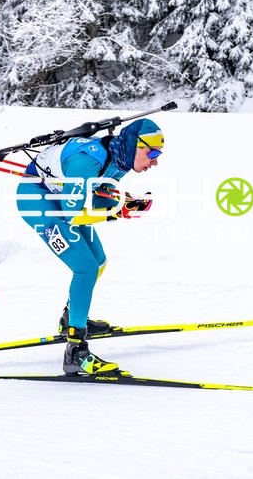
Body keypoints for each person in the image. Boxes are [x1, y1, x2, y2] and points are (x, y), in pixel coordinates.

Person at [16, 118, 164, 375]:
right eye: (151, 153)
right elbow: (74, 214)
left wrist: (124, 201)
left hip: (62, 199)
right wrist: (118, 212)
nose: (155, 161)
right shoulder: (87, 160)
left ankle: (70, 319)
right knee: (84, 267)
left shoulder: (121, 159)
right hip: (37, 201)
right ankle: (76, 350)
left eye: (158, 154)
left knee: (98, 261)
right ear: (135, 144)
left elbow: (97, 195)